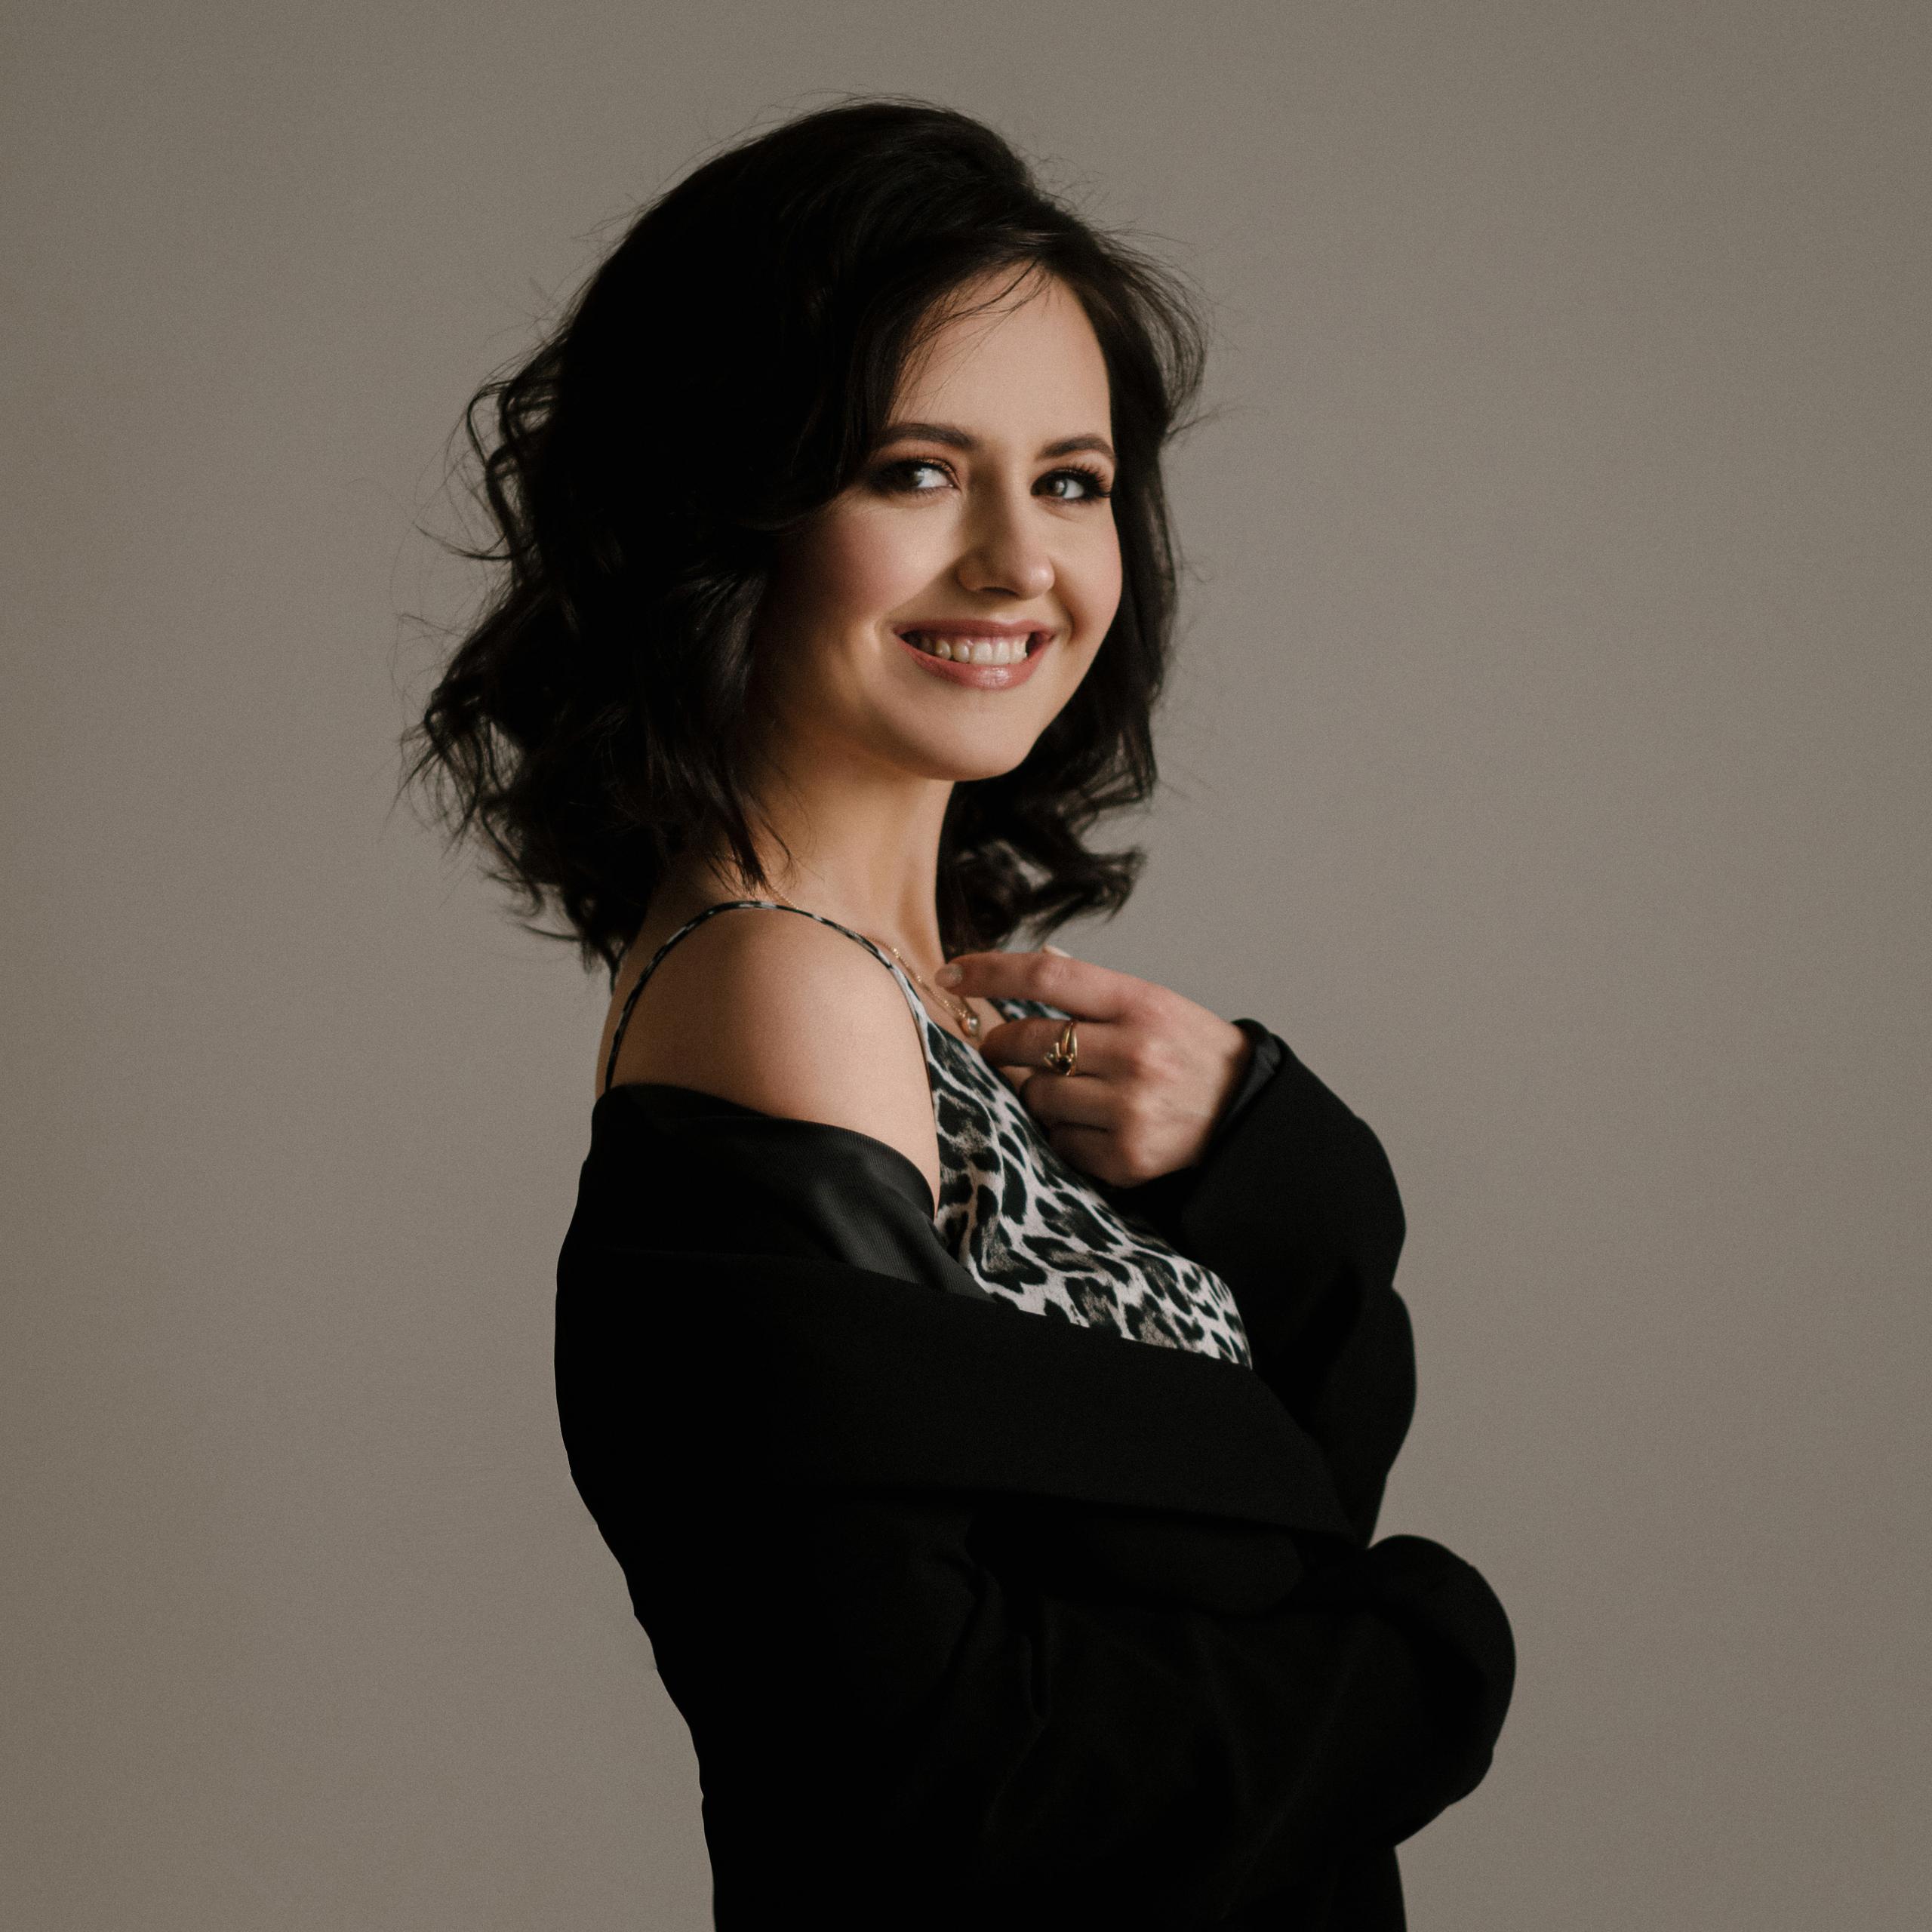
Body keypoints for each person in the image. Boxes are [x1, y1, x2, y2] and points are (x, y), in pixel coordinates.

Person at [412, 97, 1513, 1931]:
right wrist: (1437, 1664)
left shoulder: (930, 993)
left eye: (1069, 479)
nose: (1019, 560)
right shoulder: (782, 995)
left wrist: (1263, 1146)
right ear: (728, 507)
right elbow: (938, 1779)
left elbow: (1264, 1529)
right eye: (914, 470)